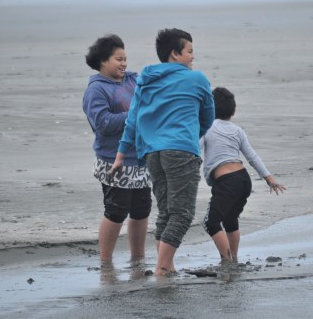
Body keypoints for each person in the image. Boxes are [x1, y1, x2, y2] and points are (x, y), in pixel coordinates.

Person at [108, 28, 215, 276]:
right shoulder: (196, 78)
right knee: (183, 213)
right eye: (189, 52)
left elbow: (132, 120)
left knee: (166, 211)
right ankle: (162, 267)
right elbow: (208, 116)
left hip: (152, 154)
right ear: (175, 53)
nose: (192, 57)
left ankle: (167, 265)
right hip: (181, 151)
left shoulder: (146, 78)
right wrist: (189, 135)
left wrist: (121, 155)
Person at [82, 34, 152, 265]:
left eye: (125, 59)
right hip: (113, 160)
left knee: (142, 210)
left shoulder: (134, 81)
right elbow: (102, 124)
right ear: (103, 61)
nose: (123, 64)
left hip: (140, 158)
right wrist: (134, 115)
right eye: (118, 59)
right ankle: (105, 262)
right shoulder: (96, 90)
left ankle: (138, 258)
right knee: (116, 210)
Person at [200, 87, 286, 262]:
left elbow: (195, 149)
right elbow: (252, 156)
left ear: (209, 108)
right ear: (234, 111)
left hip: (226, 182)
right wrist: (269, 178)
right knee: (230, 219)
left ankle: (227, 259)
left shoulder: (206, 127)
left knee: (210, 223)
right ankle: (234, 258)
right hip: (243, 180)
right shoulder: (238, 130)